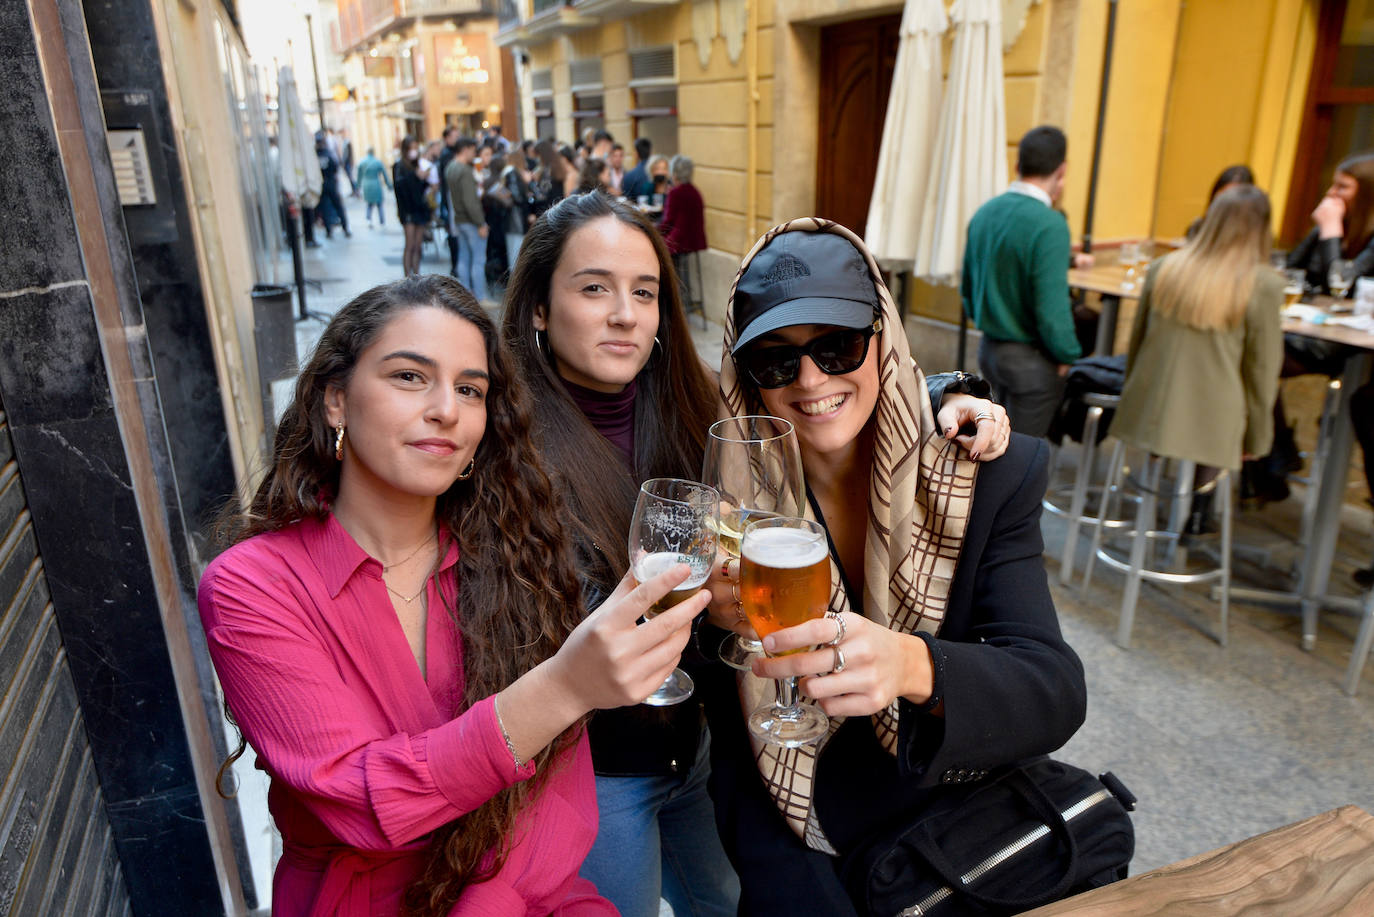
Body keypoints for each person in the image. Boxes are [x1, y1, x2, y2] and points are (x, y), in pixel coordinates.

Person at [499, 193, 1010, 917]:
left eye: (643, 291)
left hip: (698, 746)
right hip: (593, 764)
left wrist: (947, 396)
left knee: (723, 900)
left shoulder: (692, 410)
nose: (624, 313)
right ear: (540, 309)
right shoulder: (502, 441)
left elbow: (817, 393)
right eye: (593, 288)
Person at [199, 274, 709, 915]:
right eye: (410, 376)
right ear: (335, 399)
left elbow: (557, 814)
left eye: (470, 389)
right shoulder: (252, 588)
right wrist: (564, 688)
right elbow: (360, 799)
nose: (447, 408)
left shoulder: (516, 560)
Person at [697, 220, 1083, 915]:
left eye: (837, 345)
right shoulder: (731, 505)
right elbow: (734, 741)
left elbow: (1053, 691)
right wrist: (708, 620)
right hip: (805, 830)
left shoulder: (983, 473)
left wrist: (911, 665)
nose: (811, 380)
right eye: (775, 360)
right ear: (743, 374)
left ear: (884, 337)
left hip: (960, 820)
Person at [1109, 185, 1283, 528]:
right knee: (1231, 423)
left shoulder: (1164, 268)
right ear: (1262, 229)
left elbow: (1138, 344)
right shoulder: (1263, 284)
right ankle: (1197, 520)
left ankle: (1167, 527)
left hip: (1148, 412)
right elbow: (1261, 371)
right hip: (1212, 426)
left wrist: (1133, 400)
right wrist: (1258, 438)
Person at [963, 125, 1082, 437]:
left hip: (989, 351)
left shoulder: (985, 212)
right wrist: (1067, 355)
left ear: (1018, 166)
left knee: (993, 449)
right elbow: (1052, 310)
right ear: (1062, 170)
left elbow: (967, 290)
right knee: (1020, 463)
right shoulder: (1050, 224)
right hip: (1031, 363)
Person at [1287, 152, 1374, 292]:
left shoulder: (1332, 225)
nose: (1331, 192)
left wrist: (1330, 232)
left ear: (1368, 194)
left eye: (1342, 187)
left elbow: (1340, 286)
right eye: (1333, 185)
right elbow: (1290, 270)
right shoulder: (1336, 222)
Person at [445, 138, 490, 303]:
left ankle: (464, 294)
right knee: (478, 259)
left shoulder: (451, 167)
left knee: (463, 257)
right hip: (471, 221)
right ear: (465, 150)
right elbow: (470, 201)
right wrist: (480, 223)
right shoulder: (464, 170)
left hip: (459, 218)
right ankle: (480, 296)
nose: (474, 154)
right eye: (472, 150)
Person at [1185, 164, 1255, 240]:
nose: (1226, 202)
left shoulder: (1257, 235)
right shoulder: (1198, 227)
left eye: (1234, 197)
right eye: (1224, 195)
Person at [393, 136, 431, 277]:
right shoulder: (399, 166)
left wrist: (425, 179)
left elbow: (420, 188)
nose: (414, 151)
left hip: (420, 209)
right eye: (411, 148)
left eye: (416, 148)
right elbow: (399, 186)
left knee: (418, 245)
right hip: (408, 210)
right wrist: (414, 175)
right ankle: (407, 276)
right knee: (410, 245)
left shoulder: (418, 165)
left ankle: (416, 274)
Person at [658, 155, 706, 256]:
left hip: (680, 241)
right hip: (695, 240)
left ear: (674, 174)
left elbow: (668, 221)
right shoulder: (695, 191)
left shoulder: (675, 193)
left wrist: (655, 230)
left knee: (655, 245)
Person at [316, 130, 352, 239]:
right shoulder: (328, 154)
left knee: (325, 207)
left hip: (322, 183)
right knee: (338, 206)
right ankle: (345, 228)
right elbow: (335, 166)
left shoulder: (315, 156)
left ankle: (329, 230)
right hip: (330, 183)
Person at [357, 147, 392, 228]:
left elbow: (359, 176)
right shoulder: (378, 162)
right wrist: (389, 185)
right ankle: (382, 221)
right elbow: (385, 175)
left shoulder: (362, 162)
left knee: (369, 204)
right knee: (379, 204)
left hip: (366, 184)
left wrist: (358, 186)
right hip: (376, 183)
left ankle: (369, 219)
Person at [622, 137, 652, 202]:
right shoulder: (658, 173)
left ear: (636, 153)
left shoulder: (629, 176)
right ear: (650, 152)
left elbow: (627, 201)